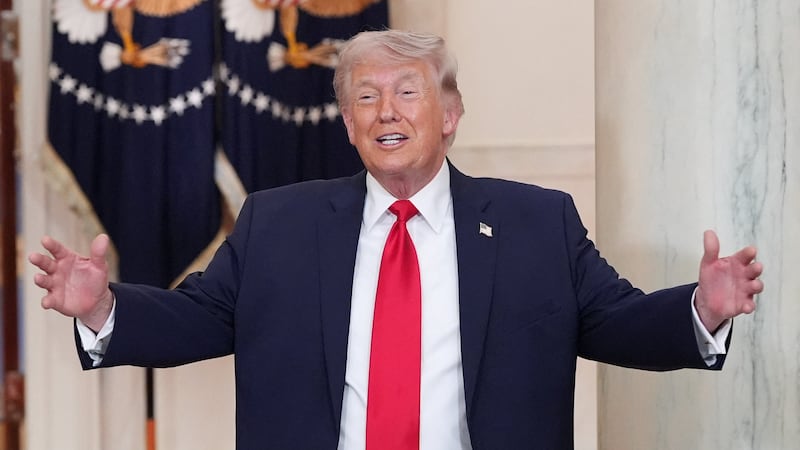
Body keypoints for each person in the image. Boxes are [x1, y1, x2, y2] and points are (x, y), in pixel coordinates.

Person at [29, 30, 764, 450]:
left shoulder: (539, 222)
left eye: (408, 91)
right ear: (348, 124)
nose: (387, 110)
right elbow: (197, 317)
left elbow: (615, 322)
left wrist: (700, 310)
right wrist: (103, 310)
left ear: (450, 113)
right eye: (365, 96)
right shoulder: (275, 224)